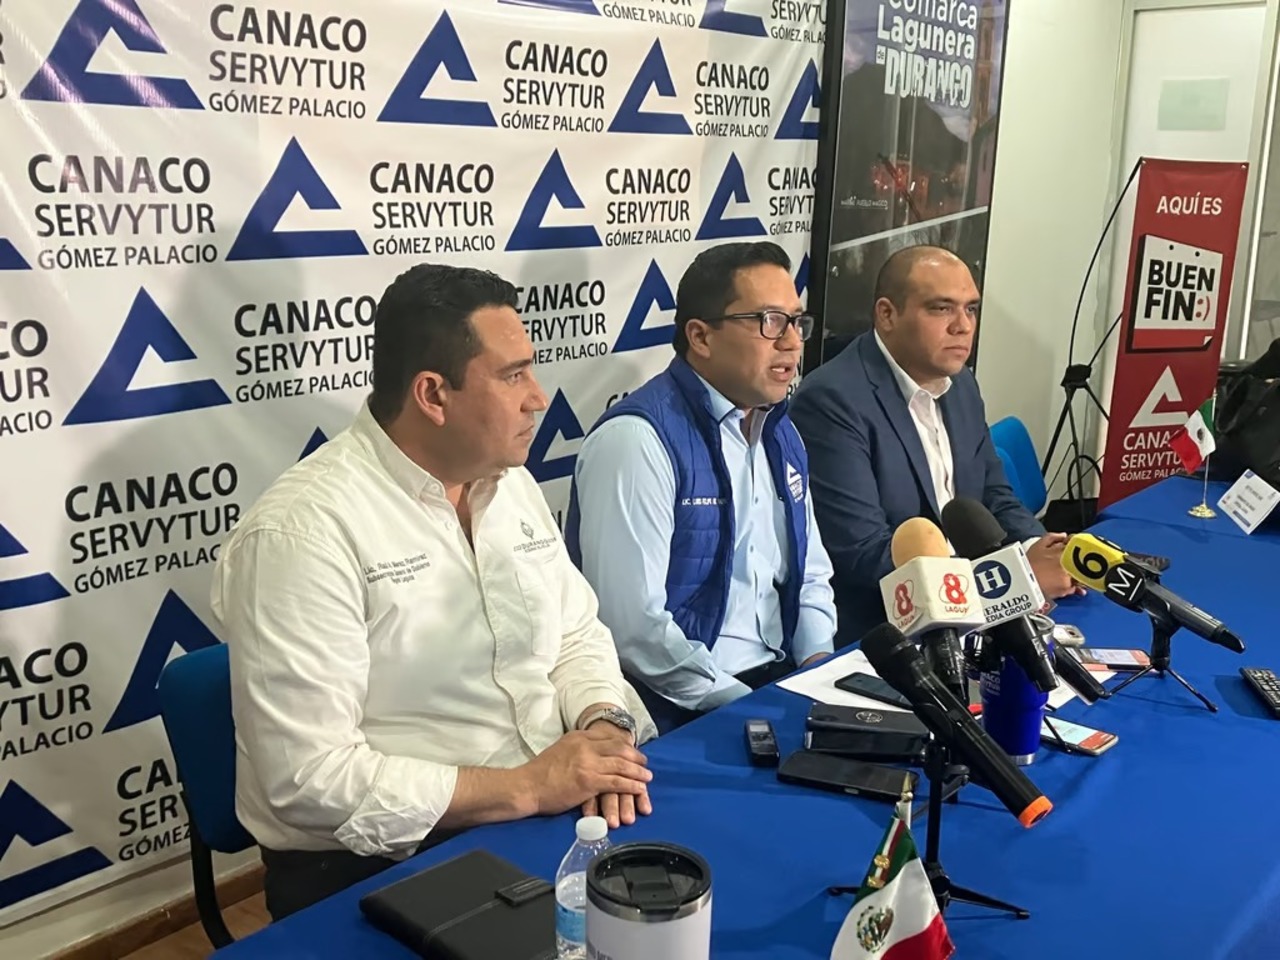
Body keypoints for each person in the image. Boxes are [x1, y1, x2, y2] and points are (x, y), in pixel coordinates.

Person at [211, 263, 657, 920]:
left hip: (545, 810)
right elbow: (307, 779)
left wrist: (603, 727)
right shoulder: (300, 533)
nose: (538, 397)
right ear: (432, 395)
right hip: (386, 863)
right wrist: (525, 787)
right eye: (513, 376)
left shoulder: (509, 484)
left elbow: (575, 634)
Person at [565, 241, 837, 733]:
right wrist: (748, 708)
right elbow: (632, 629)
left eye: (797, 322)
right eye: (770, 321)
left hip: (780, 683)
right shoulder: (636, 441)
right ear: (701, 336)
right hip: (682, 709)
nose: (792, 342)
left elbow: (811, 572)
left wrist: (818, 670)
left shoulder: (781, 431)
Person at [789, 245, 1080, 647]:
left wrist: (1042, 549)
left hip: (975, 613)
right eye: (941, 309)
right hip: (888, 634)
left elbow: (993, 495)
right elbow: (864, 555)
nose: (963, 326)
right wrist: (1015, 580)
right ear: (887, 314)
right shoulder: (831, 401)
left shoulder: (960, 384)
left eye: (971, 309)